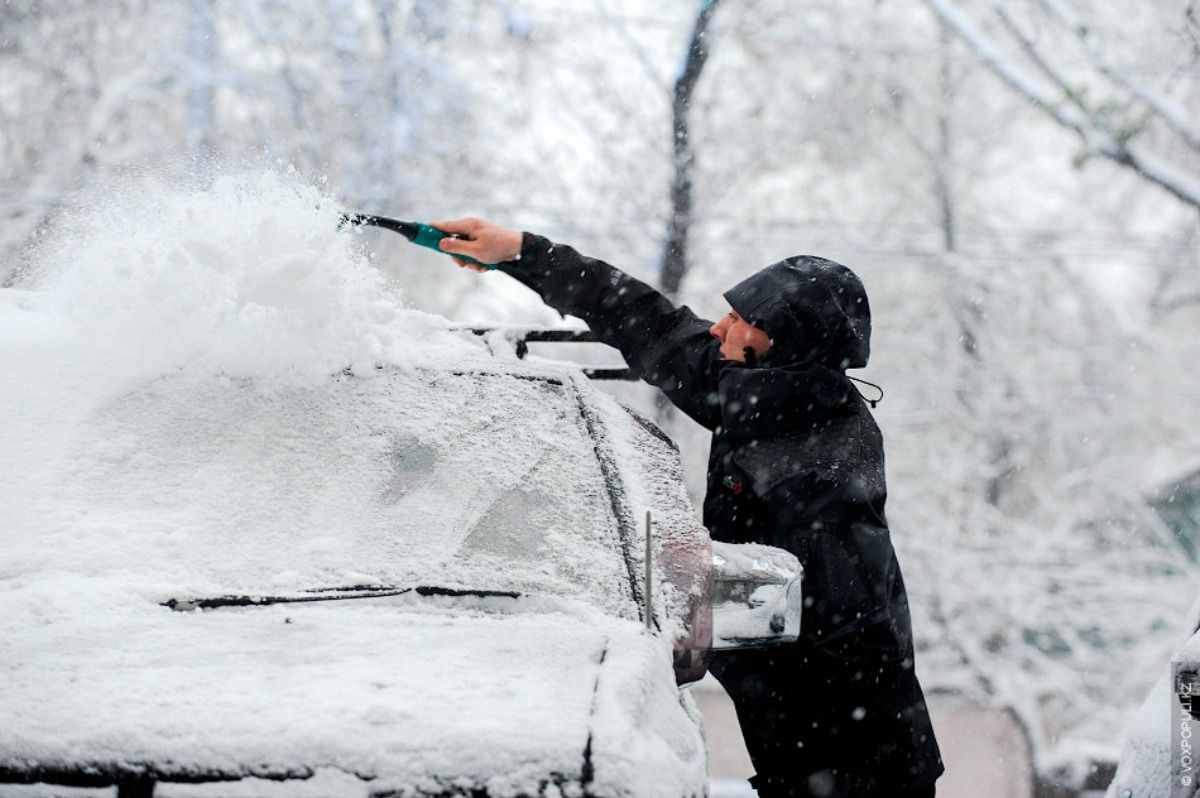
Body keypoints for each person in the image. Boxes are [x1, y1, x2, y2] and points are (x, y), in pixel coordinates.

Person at [431, 218, 944, 798]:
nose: (719, 327)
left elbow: (835, 629)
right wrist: (522, 252)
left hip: (855, 766)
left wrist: (683, 607)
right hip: (799, 756)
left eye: (740, 320)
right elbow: (648, 321)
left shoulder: (821, 475)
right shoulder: (761, 390)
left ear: (784, 341)